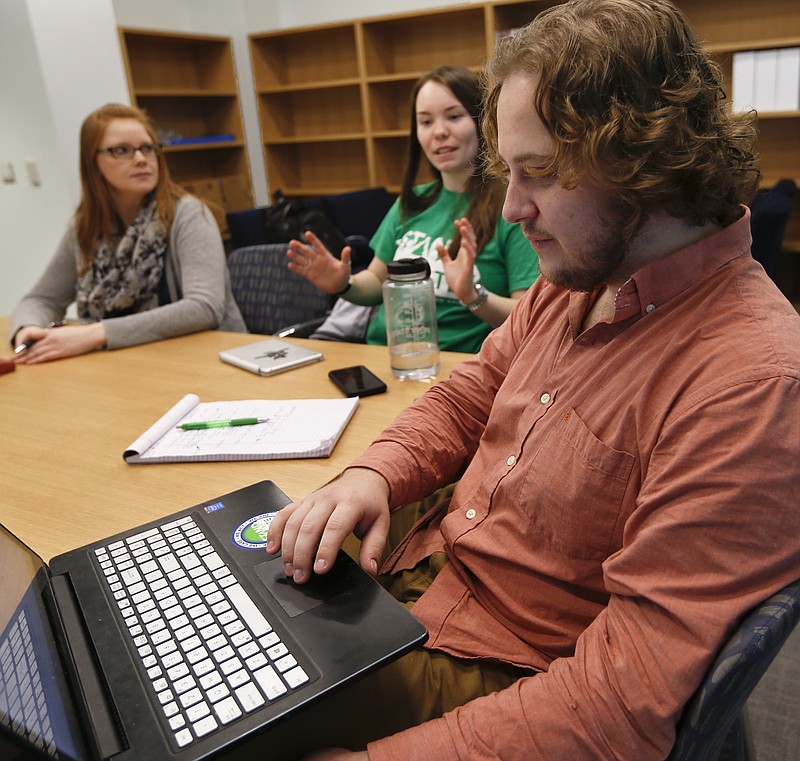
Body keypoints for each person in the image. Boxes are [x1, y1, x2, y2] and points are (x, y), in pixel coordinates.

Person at [266, 1, 800, 759]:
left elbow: (618, 702)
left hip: (501, 671)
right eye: (508, 172)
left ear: (646, 162)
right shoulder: (580, 274)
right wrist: (374, 475)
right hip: (423, 571)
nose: (513, 208)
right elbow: (467, 394)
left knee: (191, 728)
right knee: (184, 636)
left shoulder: (752, 382)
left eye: (540, 173)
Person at [286, 65, 539, 354]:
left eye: (454, 116)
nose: (440, 132)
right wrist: (345, 283)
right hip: (385, 357)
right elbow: (376, 282)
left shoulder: (511, 207)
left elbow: (529, 317)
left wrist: (473, 295)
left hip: (455, 367)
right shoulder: (412, 201)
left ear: (483, 121)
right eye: (426, 122)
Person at [9, 103, 245, 363]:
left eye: (147, 148)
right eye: (122, 150)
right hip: (125, 362)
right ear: (93, 162)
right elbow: (42, 298)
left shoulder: (189, 215)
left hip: (203, 361)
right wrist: (27, 328)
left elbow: (204, 308)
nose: (141, 159)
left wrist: (97, 333)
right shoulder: (86, 228)